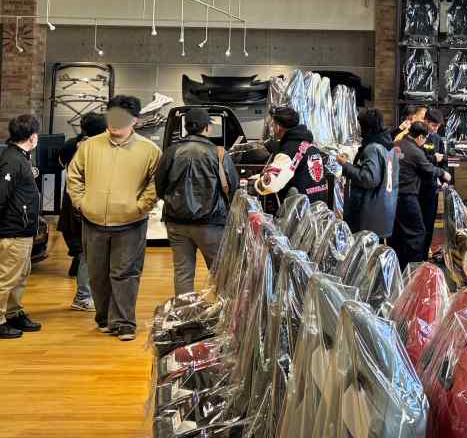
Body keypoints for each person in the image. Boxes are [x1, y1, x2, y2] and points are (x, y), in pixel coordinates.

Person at [67, 95, 161, 341]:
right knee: (97, 274)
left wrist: (141, 207)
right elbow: (74, 176)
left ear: (135, 121)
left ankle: (124, 323)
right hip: (93, 221)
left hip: (131, 223)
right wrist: (81, 203)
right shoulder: (89, 146)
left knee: (125, 273)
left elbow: (155, 183)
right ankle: (104, 318)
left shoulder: (149, 150)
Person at [155, 107, 240, 297]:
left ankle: (184, 311)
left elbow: (159, 186)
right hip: (211, 223)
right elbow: (233, 187)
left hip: (176, 222)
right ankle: (222, 311)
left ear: (186, 127)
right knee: (220, 272)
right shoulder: (218, 153)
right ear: (207, 128)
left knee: (183, 271)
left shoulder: (171, 151)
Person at [57, 111, 107, 312]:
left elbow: (62, 165)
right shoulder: (95, 149)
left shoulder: (71, 145)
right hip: (85, 207)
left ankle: (86, 294)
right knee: (88, 253)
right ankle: (83, 297)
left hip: (73, 205)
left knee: (84, 251)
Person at [0, 114, 43, 339]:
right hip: (13, 231)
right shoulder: (12, 160)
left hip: (23, 230)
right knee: (7, 277)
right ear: (33, 137)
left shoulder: (20, 157)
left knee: (20, 276)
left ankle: (13, 313)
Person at [395, 122, 450, 269]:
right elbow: (428, 168)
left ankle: (400, 267)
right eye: (425, 139)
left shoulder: (397, 144)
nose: (425, 142)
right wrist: (443, 173)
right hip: (407, 195)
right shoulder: (415, 150)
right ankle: (415, 269)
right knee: (418, 233)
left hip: (392, 195)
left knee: (399, 233)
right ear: (420, 137)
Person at [258, 106, 334, 207]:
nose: (272, 128)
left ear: (278, 127)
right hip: (319, 208)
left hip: (299, 212)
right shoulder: (313, 147)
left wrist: (259, 180)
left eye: (273, 125)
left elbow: (269, 184)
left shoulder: (287, 153)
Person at [338, 109, 395, 236]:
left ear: (366, 127)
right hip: (381, 207)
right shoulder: (386, 145)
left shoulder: (372, 148)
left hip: (367, 211)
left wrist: (345, 165)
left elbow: (369, 179)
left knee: (364, 245)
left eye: (360, 125)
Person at [419, 109, 448, 261]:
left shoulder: (437, 139)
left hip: (432, 189)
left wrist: (443, 180)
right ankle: (417, 256)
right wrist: (433, 158)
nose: (436, 129)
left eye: (438, 126)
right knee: (418, 224)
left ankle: (425, 255)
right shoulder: (418, 137)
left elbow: (444, 161)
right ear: (425, 121)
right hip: (417, 188)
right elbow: (418, 161)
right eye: (433, 125)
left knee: (429, 224)